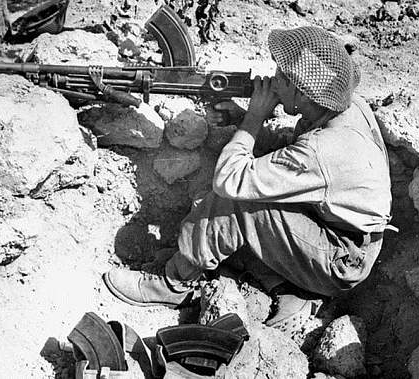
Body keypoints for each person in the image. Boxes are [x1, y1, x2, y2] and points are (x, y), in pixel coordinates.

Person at [103, 26, 392, 326]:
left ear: (304, 93)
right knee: (233, 206)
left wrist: (253, 118)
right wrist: (242, 120)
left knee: (237, 202)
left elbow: (231, 180)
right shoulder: (340, 106)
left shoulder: (322, 149)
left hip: (340, 261)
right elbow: (295, 163)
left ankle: (173, 284)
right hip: (339, 234)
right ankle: (287, 286)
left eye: (283, 78)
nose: (273, 81)